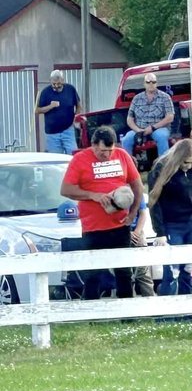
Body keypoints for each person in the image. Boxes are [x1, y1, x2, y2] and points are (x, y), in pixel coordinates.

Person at [60, 125, 143, 300]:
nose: (107, 155)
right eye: (103, 151)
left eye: (110, 150)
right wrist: (92, 195)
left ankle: (127, 315)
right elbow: (66, 189)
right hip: (93, 227)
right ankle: (91, 316)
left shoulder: (122, 155)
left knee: (124, 272)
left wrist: (132, 214)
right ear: (94, 145)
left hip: (119, 224)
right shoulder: (80, 159)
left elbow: (137, 186)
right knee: (93, 274)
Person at [148, 138, 192, 296]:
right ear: (178, 158)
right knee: (172, 271)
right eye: (185, 162)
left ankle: (188, 311)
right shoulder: (160, 169)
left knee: (187, 270)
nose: (188, 166)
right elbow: (154, 202)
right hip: (172, 225)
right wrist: (160, 232)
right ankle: (168, 314)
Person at [121, 72, 174, 158]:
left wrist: (153, 128)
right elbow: (129, 119)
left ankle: (163, 166)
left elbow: (170, 117)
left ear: (157, 83)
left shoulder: (165, 97)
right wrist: (138, 130)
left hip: (159, 128)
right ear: (144, 84)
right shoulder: (136, 98)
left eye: (153, 82)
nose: (151, 84)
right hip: (139, 129)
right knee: (126, 140)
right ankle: (128, 167)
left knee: (162, 136)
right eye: (148, 82)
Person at [36, 70, 82, 154]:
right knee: (55, 158)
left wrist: (76, 118)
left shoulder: (70, 89)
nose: (56, 86)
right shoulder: (45, 92)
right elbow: (37, 110)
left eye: (59, 84)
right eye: (54, 84)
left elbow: (78, 105)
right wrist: (50, 106)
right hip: (52, 134)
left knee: (73, 155)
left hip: (68, 130)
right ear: (50, 81)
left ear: (63, 80)